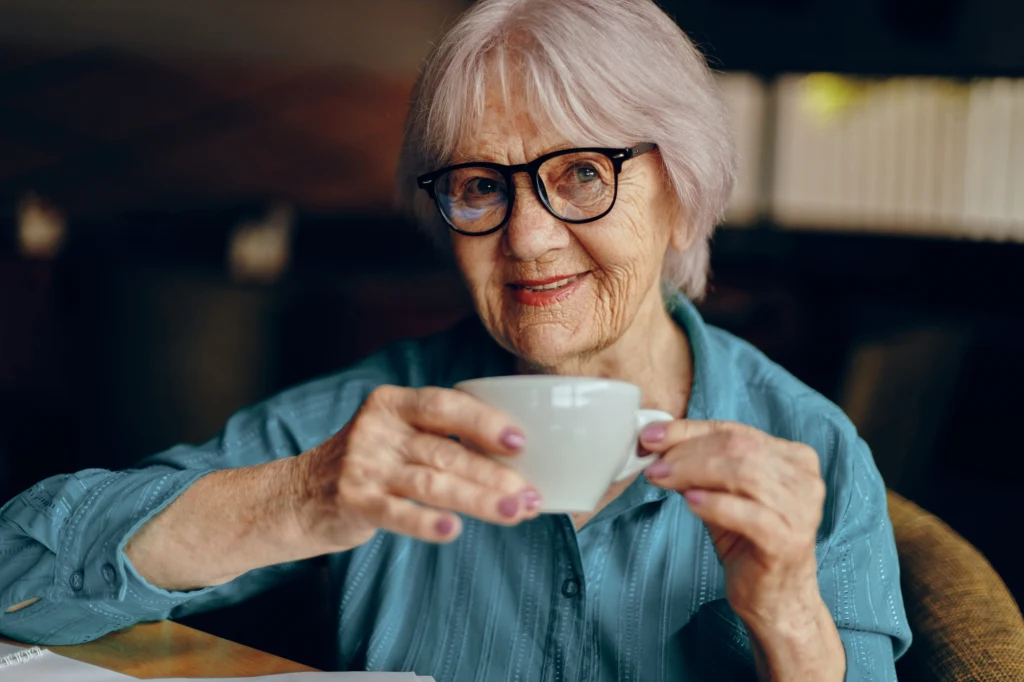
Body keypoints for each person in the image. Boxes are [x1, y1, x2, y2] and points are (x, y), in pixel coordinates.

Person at [0, 1, 910, 679]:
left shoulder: (812, 449)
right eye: (480, 186)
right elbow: (14, 576)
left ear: (681, 194)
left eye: (583, 173)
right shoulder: (372, 422)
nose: (526, 238)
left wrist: (791, 617)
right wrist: (295, 497)